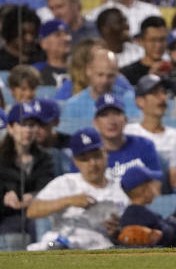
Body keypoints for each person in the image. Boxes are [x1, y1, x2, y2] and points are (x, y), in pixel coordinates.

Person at [25, 127, 129, 250]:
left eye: (97, 156)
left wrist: (118, 232)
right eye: (84, 159)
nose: (93, 163)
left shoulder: (121, 187)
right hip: (62, 244)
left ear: (105, 153)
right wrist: (68, 201)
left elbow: (130, 230)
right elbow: (32, 211)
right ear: (75, 161)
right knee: (51, 245)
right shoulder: (65, 182)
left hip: (101, 248)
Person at [125, 74, 176, 190]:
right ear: (140, 101)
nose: (162, 98)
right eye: (155, 93)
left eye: (164, 93)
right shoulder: (127, 133)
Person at [0, 102, 55, 241]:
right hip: (6, 217)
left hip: (36, 215)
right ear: (10, 128)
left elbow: (50, 188)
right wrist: (4, 198)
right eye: (23, 124)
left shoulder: (45, 158)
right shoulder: (1, 158)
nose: (28, 130)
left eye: (32, 125)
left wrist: (34, 196)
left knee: (40, 224)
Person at [119, 16, 167, 86]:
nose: (158, 45)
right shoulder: (127, 74)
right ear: (140, 41)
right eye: (152, 40)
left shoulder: (174, 71)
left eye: (162, 40)